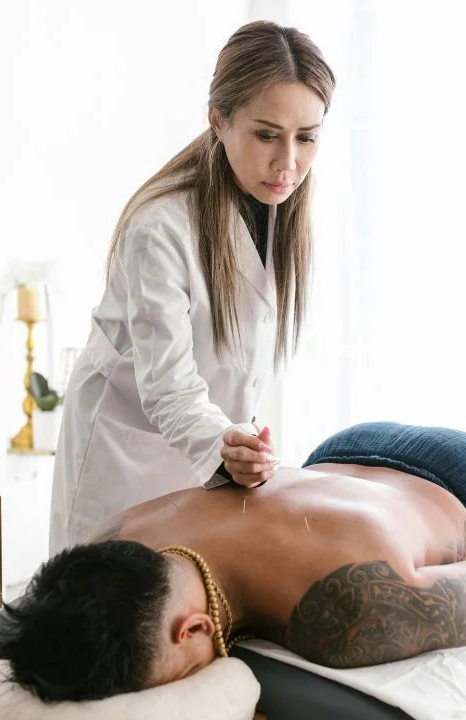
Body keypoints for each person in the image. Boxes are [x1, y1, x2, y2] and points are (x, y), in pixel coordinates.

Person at [0, 412, 466, 702]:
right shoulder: (117, 537)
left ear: (191, 630)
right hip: (344, 449)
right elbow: (16, 625)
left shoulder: (342, 608)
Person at [50, 20, 337, 552]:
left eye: (307, 138)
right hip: (127, 451)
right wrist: (222, 444)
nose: (288, 162)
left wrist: (235, 445)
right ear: (218, 120)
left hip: (208, 453)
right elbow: (169, 385)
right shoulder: (160, 228)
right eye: (267, 134)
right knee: (104, 614)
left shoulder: (280, 211)